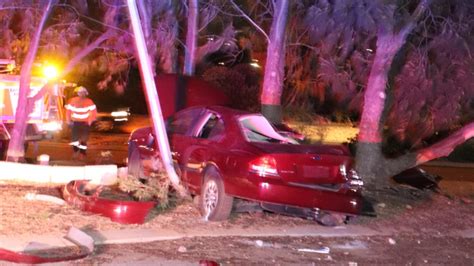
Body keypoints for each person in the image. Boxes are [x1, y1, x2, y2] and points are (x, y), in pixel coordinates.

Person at [65, 86, 97, 160]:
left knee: (84, 139)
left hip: (85, 123)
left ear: (85, 93)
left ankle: (82, 153)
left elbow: (94, 112)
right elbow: (68, 112)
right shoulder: (72, 101)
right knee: (74, 139)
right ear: (78, 93)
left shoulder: (89, 101)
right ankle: (76, 152)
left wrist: (90, 121)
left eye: (83, 93)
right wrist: (68, 120)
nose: (81, 94)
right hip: (75, 123)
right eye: (80, 92)